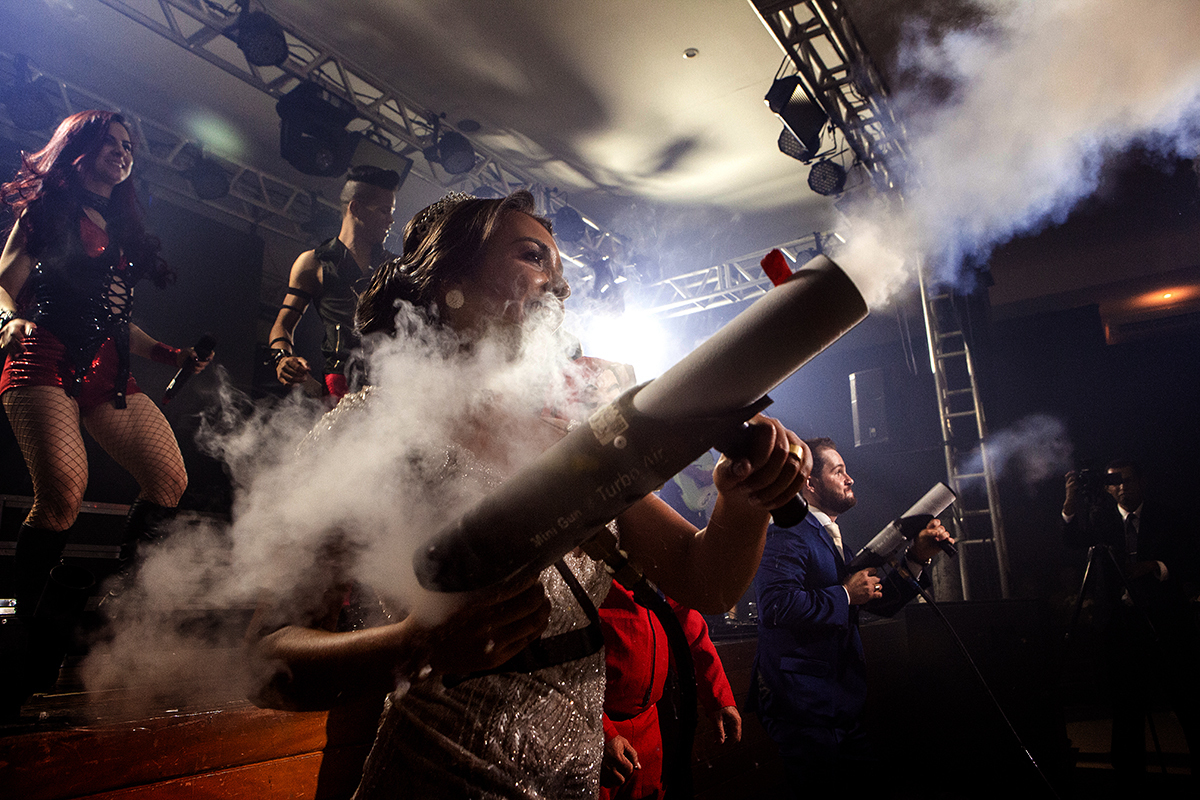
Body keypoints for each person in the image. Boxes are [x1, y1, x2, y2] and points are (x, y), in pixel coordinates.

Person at [244, 190, 808, 799]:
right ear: (450, 279)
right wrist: (417, 646)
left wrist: (745, 500)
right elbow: (266, 664)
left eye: (561, 274)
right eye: (533, 257)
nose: (559, 287)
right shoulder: (367, 428)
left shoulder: (571, 437)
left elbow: (706, 581)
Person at [0, 110, 211, 704]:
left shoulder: (122, 230)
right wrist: (5, 320)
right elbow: (3, 280)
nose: (123, 152)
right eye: (111, 143)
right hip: (42, 354)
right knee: (64, 492)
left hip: (107, 370)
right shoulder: (46, 212)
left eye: (129, 146)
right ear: (80, 148)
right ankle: (23, 629)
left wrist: (166, 353)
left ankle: (116, 602)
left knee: (169, 478)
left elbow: (115, 318)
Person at [749, 436, 952, 792]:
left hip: (838, 703)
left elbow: (877, 602)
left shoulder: (830, 537)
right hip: (803, 705)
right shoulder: (785, 532)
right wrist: (845, 594)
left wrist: (917, 556)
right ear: (810, 483)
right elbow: (776, 605)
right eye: (838, 471)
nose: (850, 478)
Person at [1062, 459, 1199, 782]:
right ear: (1107, 487)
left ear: (1141, 481)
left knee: (1185, 695)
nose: (1121, 486)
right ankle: (1129, 775)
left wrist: (1155, 566)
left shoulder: (1167, 516)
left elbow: (1190, 559)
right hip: (1120, 626)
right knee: (1126, 702)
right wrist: (1070, 504)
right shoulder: (1102, 519)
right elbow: (1072, 542)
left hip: (1165, 620)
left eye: (1127, 479)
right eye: (1113, 481)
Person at [268, 164, 401, 402]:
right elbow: (283, 324)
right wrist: (282, 359)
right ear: (355, 208)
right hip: (338, 390)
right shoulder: (313, 263)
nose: (390, 220)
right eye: (384, 211)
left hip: (393, 387)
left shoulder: (396, 267)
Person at [599, 578, 741, 800]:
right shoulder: (579, 563)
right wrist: (601, 733)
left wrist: (719, 696)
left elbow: (684, 623)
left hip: (649, 726)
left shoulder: (653, 564)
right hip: (593, 724)